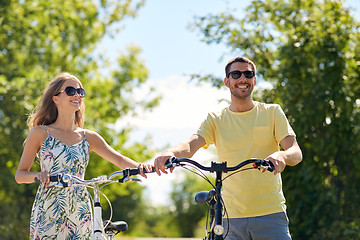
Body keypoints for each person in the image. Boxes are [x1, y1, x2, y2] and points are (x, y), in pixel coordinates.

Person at [154, 57, 303, 240]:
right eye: (236, 74)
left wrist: (282, 155)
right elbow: (191, 144)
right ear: (227, 81)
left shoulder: (272, 112)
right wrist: (170, 153)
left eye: (248, 74)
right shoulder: (216, 119)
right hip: (230, 219)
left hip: (270, 214)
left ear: (254, 80)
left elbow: (295, 152)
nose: (243, 78)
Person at [15, 72, 153, 239]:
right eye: (71, 91)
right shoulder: (40, 133)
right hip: (49, 209)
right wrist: (39, 176)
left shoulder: (89, 137)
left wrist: (141, 167)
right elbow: (20, 175)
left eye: (80, 91)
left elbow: (118, 159)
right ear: (55, 98)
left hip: (80, 210)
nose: (77, 95)